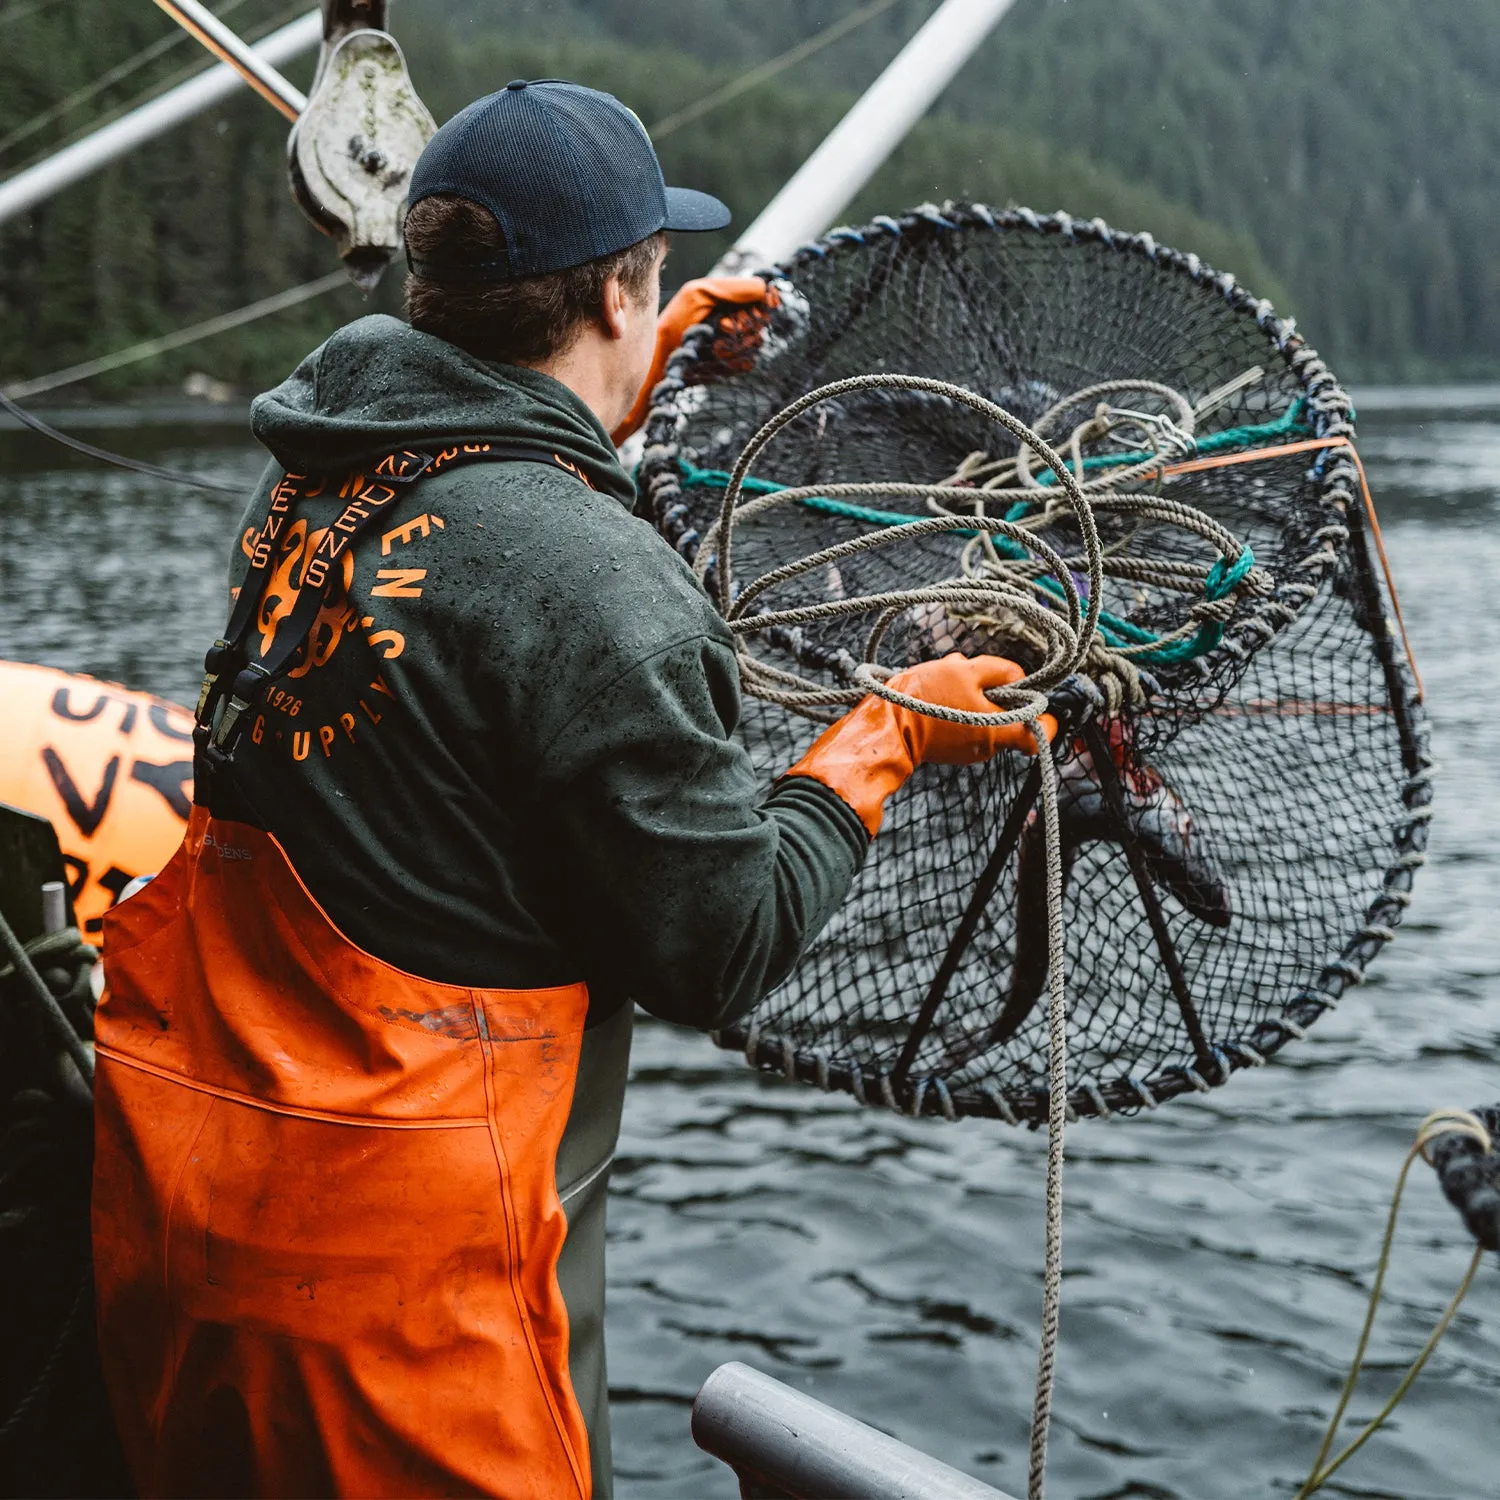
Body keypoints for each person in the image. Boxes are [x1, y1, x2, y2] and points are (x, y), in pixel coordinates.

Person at [91, 80, 1040, 1499]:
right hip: (396, 1316)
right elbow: (720, 945)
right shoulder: (605, 586)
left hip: (185, 1212)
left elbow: (473, 485)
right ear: (608, 291)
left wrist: (638, 357)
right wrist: (890, 735)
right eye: (642, 282)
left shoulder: (313, 478)